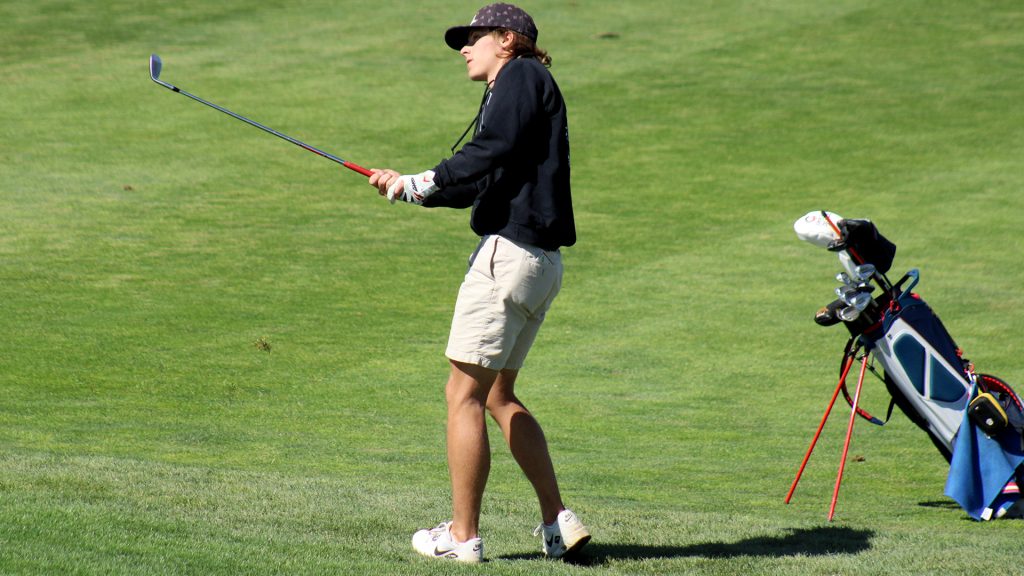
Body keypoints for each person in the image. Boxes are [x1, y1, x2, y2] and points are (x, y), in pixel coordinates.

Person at [368, 2, 589, 564]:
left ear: (508, 40)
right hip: (540, 264)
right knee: (496, 395)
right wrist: (412, 188)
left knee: (461, 395)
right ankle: (557, 521)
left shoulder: (520, 75)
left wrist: (427, 177)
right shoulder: (522, 86)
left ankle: (463, 537)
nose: (465, 47)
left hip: (507, 258)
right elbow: (484, 178)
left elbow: (490, 151)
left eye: (474, 38)